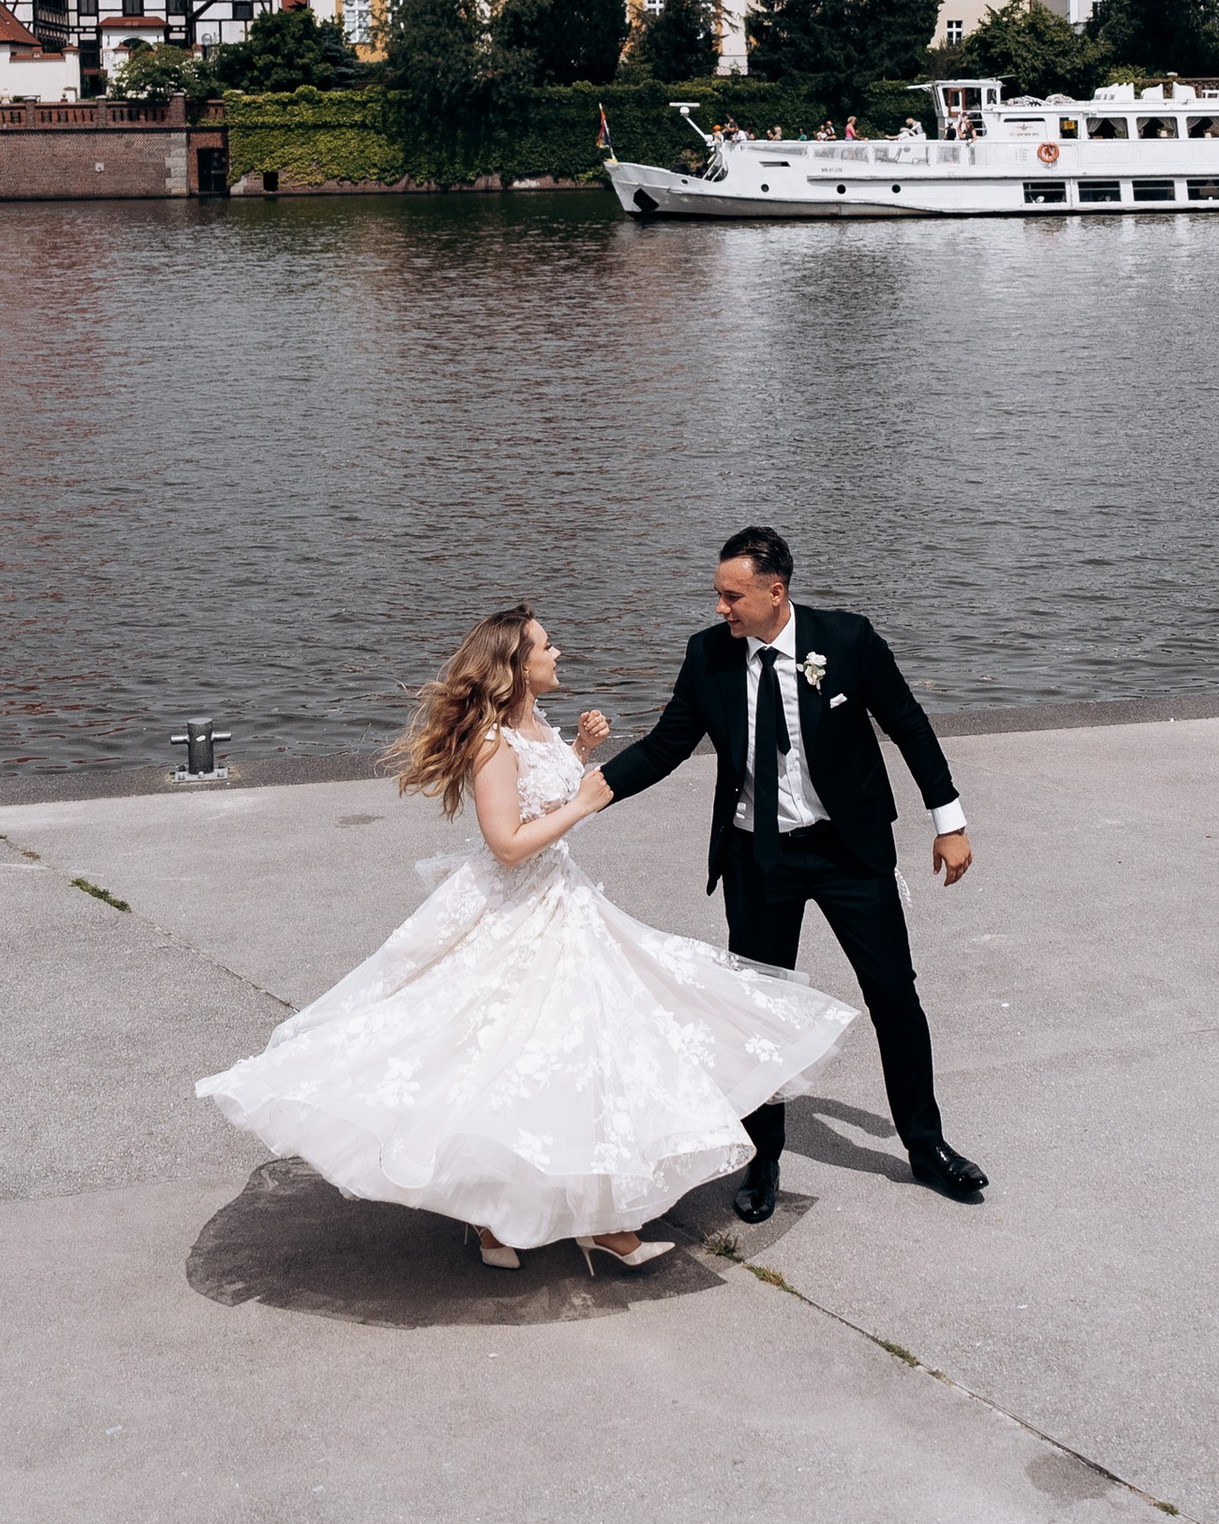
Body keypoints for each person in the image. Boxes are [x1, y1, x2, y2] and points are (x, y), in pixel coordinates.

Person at [196, 606, 858, 1275]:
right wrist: (584, 801)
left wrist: (579, 757)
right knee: (495, 1058)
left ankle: (592, 1220)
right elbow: (508, 844)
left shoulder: (537, 726)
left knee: (583, 1051)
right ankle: (506, 1215)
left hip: (565, 901)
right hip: (514, 911)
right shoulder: (489, 740)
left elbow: (537, 801)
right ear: (517, 664)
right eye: (545, 645)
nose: (557, 651)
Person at [595, 528, 986, 1224]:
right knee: (758, 1014)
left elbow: (910, 724)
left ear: (775, 593)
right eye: (718, 595)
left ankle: (926, 1147)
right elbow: (665, 746)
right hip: (759, 857)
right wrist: (588, 793)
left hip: (848, 852)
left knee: (895, 993)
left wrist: (948, 820)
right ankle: (762, 1157)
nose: (720, 608)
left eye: (732, 596)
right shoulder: (708, 656)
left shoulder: (848, 639)